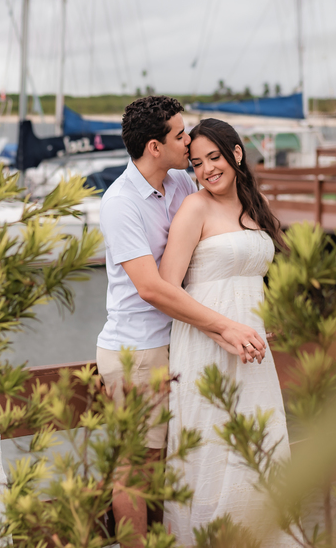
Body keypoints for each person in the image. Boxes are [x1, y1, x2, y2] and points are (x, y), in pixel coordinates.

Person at [97, 97, 268, 548]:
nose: (188, 141)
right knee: (139, 466)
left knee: (188, 455)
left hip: (181, 342)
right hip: (138, 349)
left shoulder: (177, 182)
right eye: (180, 136)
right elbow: (152, 288)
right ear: (155, 146)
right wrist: (225, 326)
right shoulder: (120, 203)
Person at [159, 118, 291, 544]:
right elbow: (165, 287)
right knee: (212, 451)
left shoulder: (255, 206)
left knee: (259, 446)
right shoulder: (195, 208)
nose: (206, 169)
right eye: (196, 163)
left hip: (252, 348)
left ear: (236, 154)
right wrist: (222, 330)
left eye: (213, 158)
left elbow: (251, 278)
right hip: (205, 344)